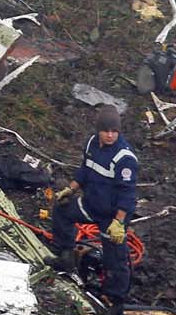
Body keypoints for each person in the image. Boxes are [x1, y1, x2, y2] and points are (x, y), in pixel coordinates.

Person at [48, 105, 136, 303]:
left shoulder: (125, 159)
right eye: (106, 131)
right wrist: (70, 189)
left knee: (115, 256)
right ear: (98, 131)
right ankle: (66, 257)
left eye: (115, 131)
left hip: (112, 215)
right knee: (62, 211)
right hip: (91, 204)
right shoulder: (91, 144)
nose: (110, 135)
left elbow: (127, 194)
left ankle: (114, 296)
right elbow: (85, 171)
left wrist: (119, 222)